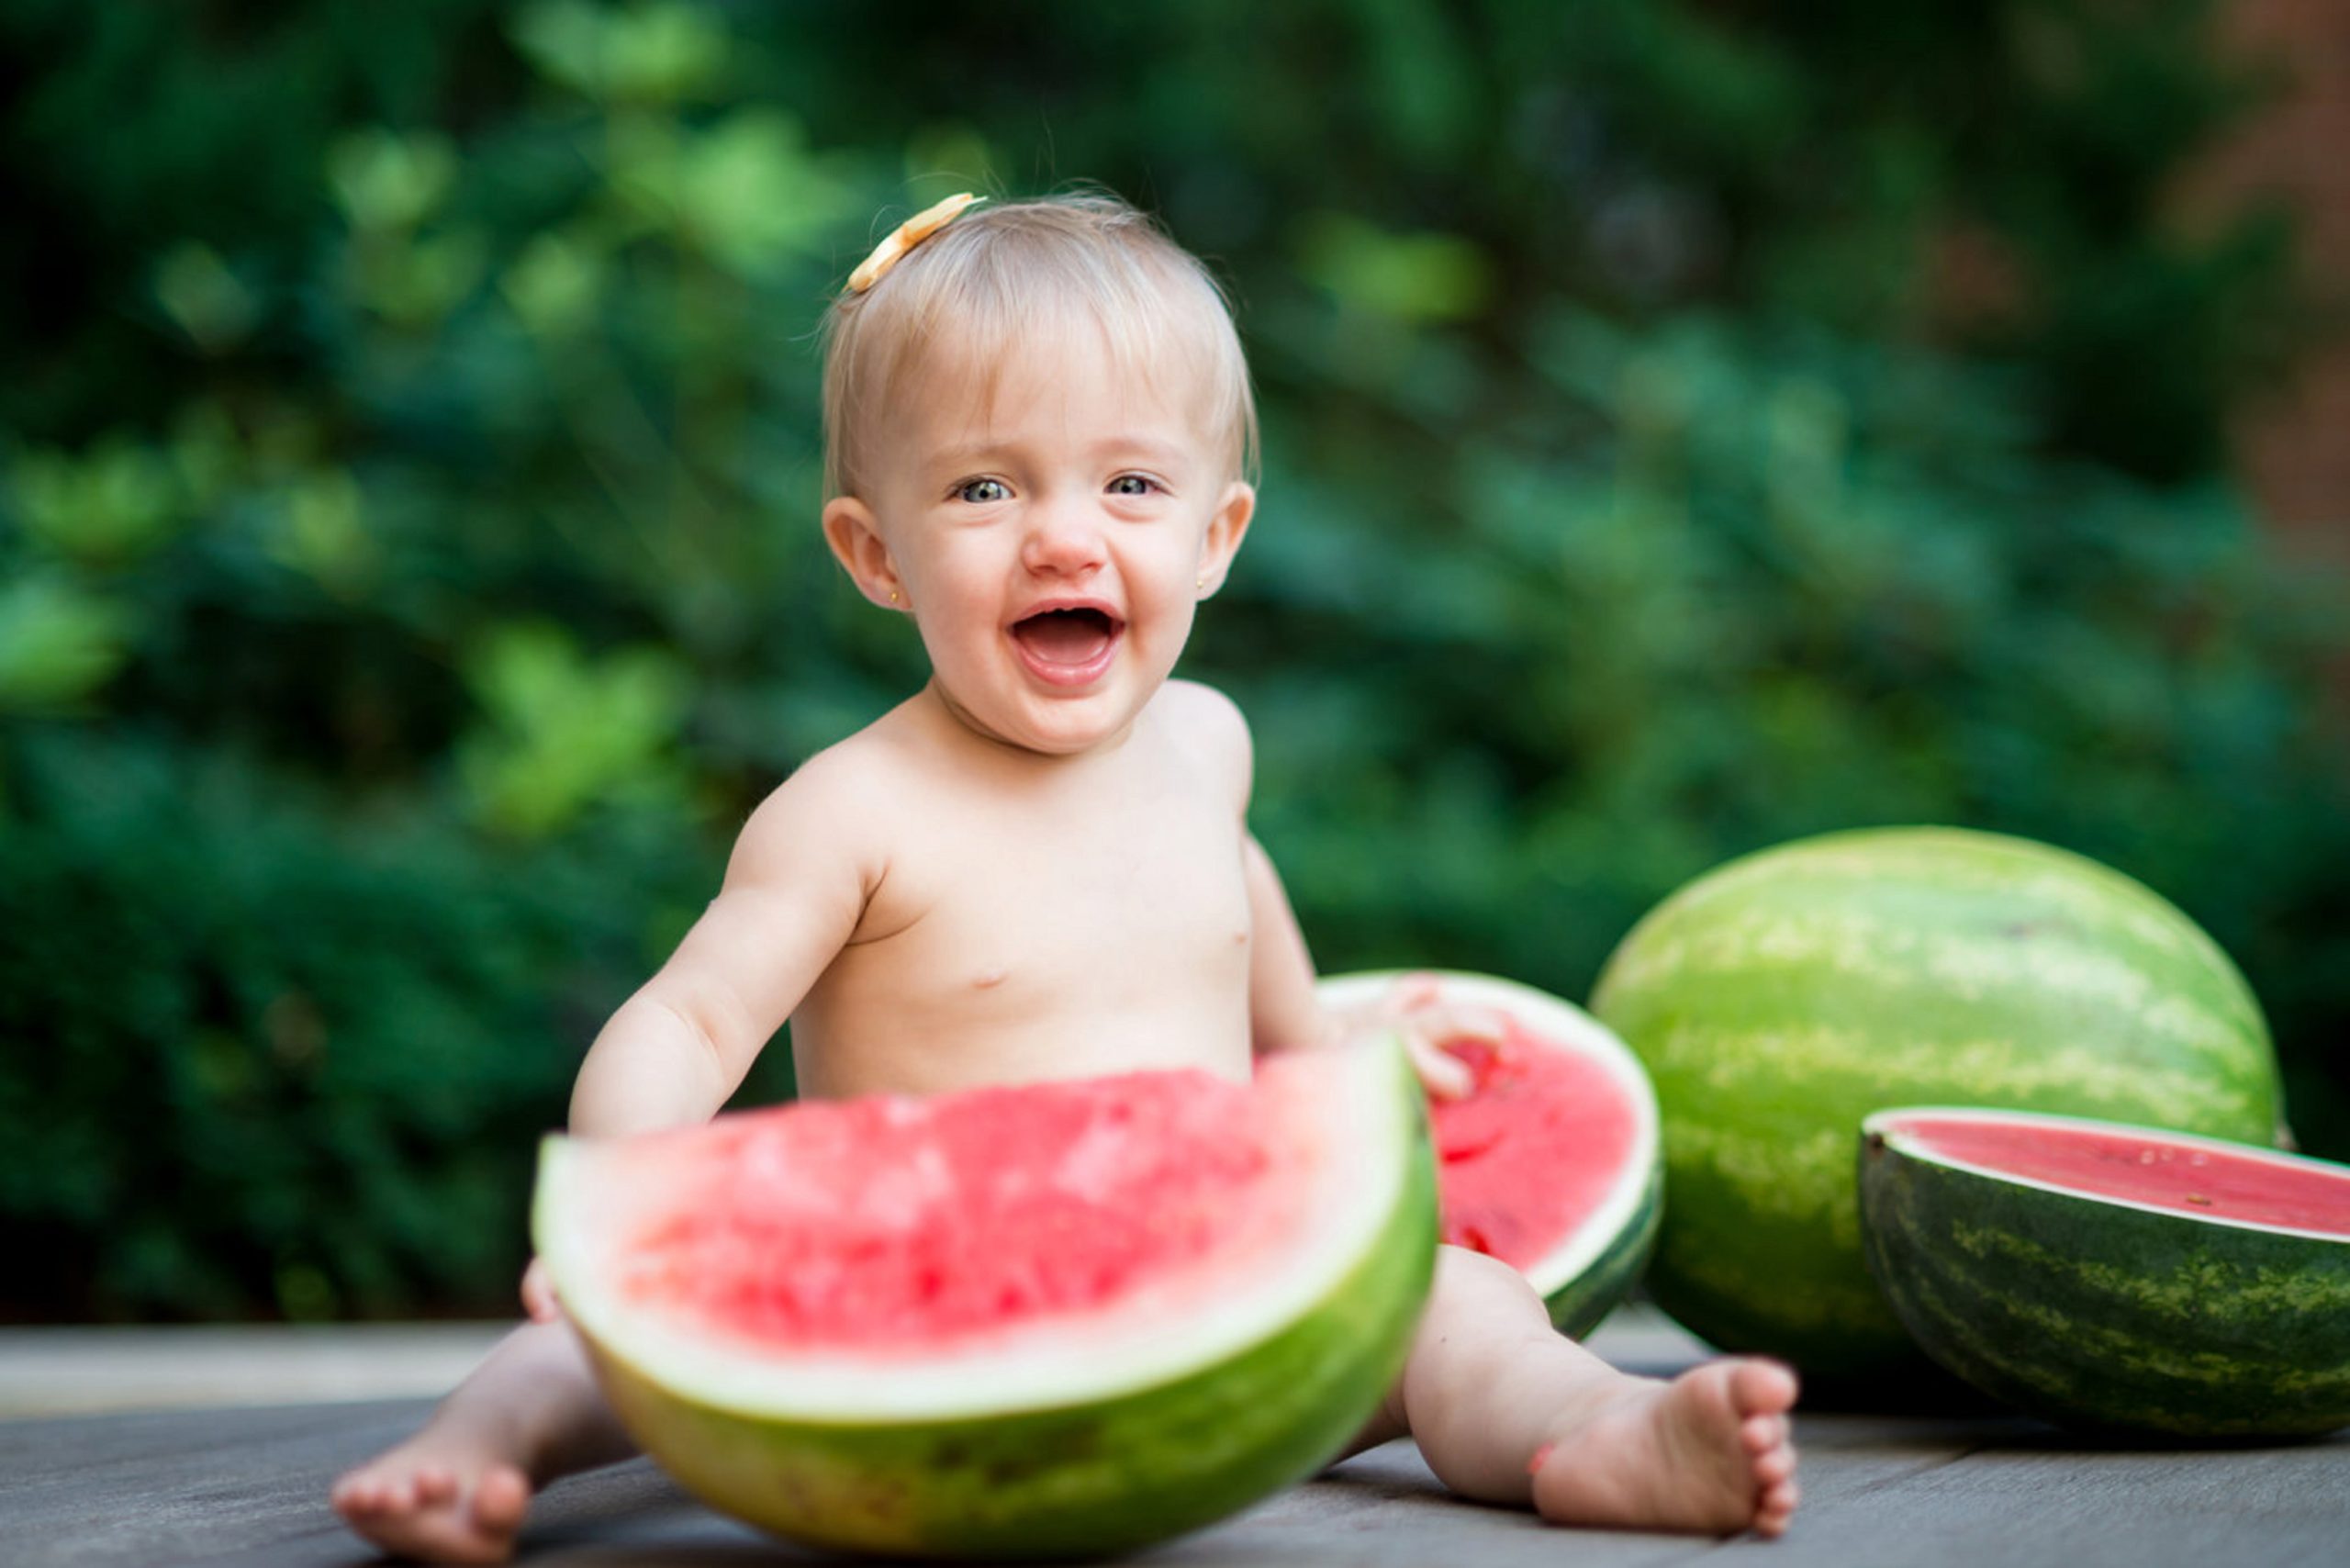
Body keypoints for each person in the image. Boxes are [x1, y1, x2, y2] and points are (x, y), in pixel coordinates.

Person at [331, 191, 1800, 1563]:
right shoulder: (850, 811)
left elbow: (1240, 897)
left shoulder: (1205, 744)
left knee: (1462, 1301)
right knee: (596, 1340)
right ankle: (482, 1449)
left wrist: (1331, 1052)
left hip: (1218, 1304)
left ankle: (1596, 1436)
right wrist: (622, 1204)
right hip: (908, 1318)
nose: (1063, 534)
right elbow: (693, 1022)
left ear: (1215, 538)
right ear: (876, 554)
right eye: (983, 486)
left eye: (1132, 482)